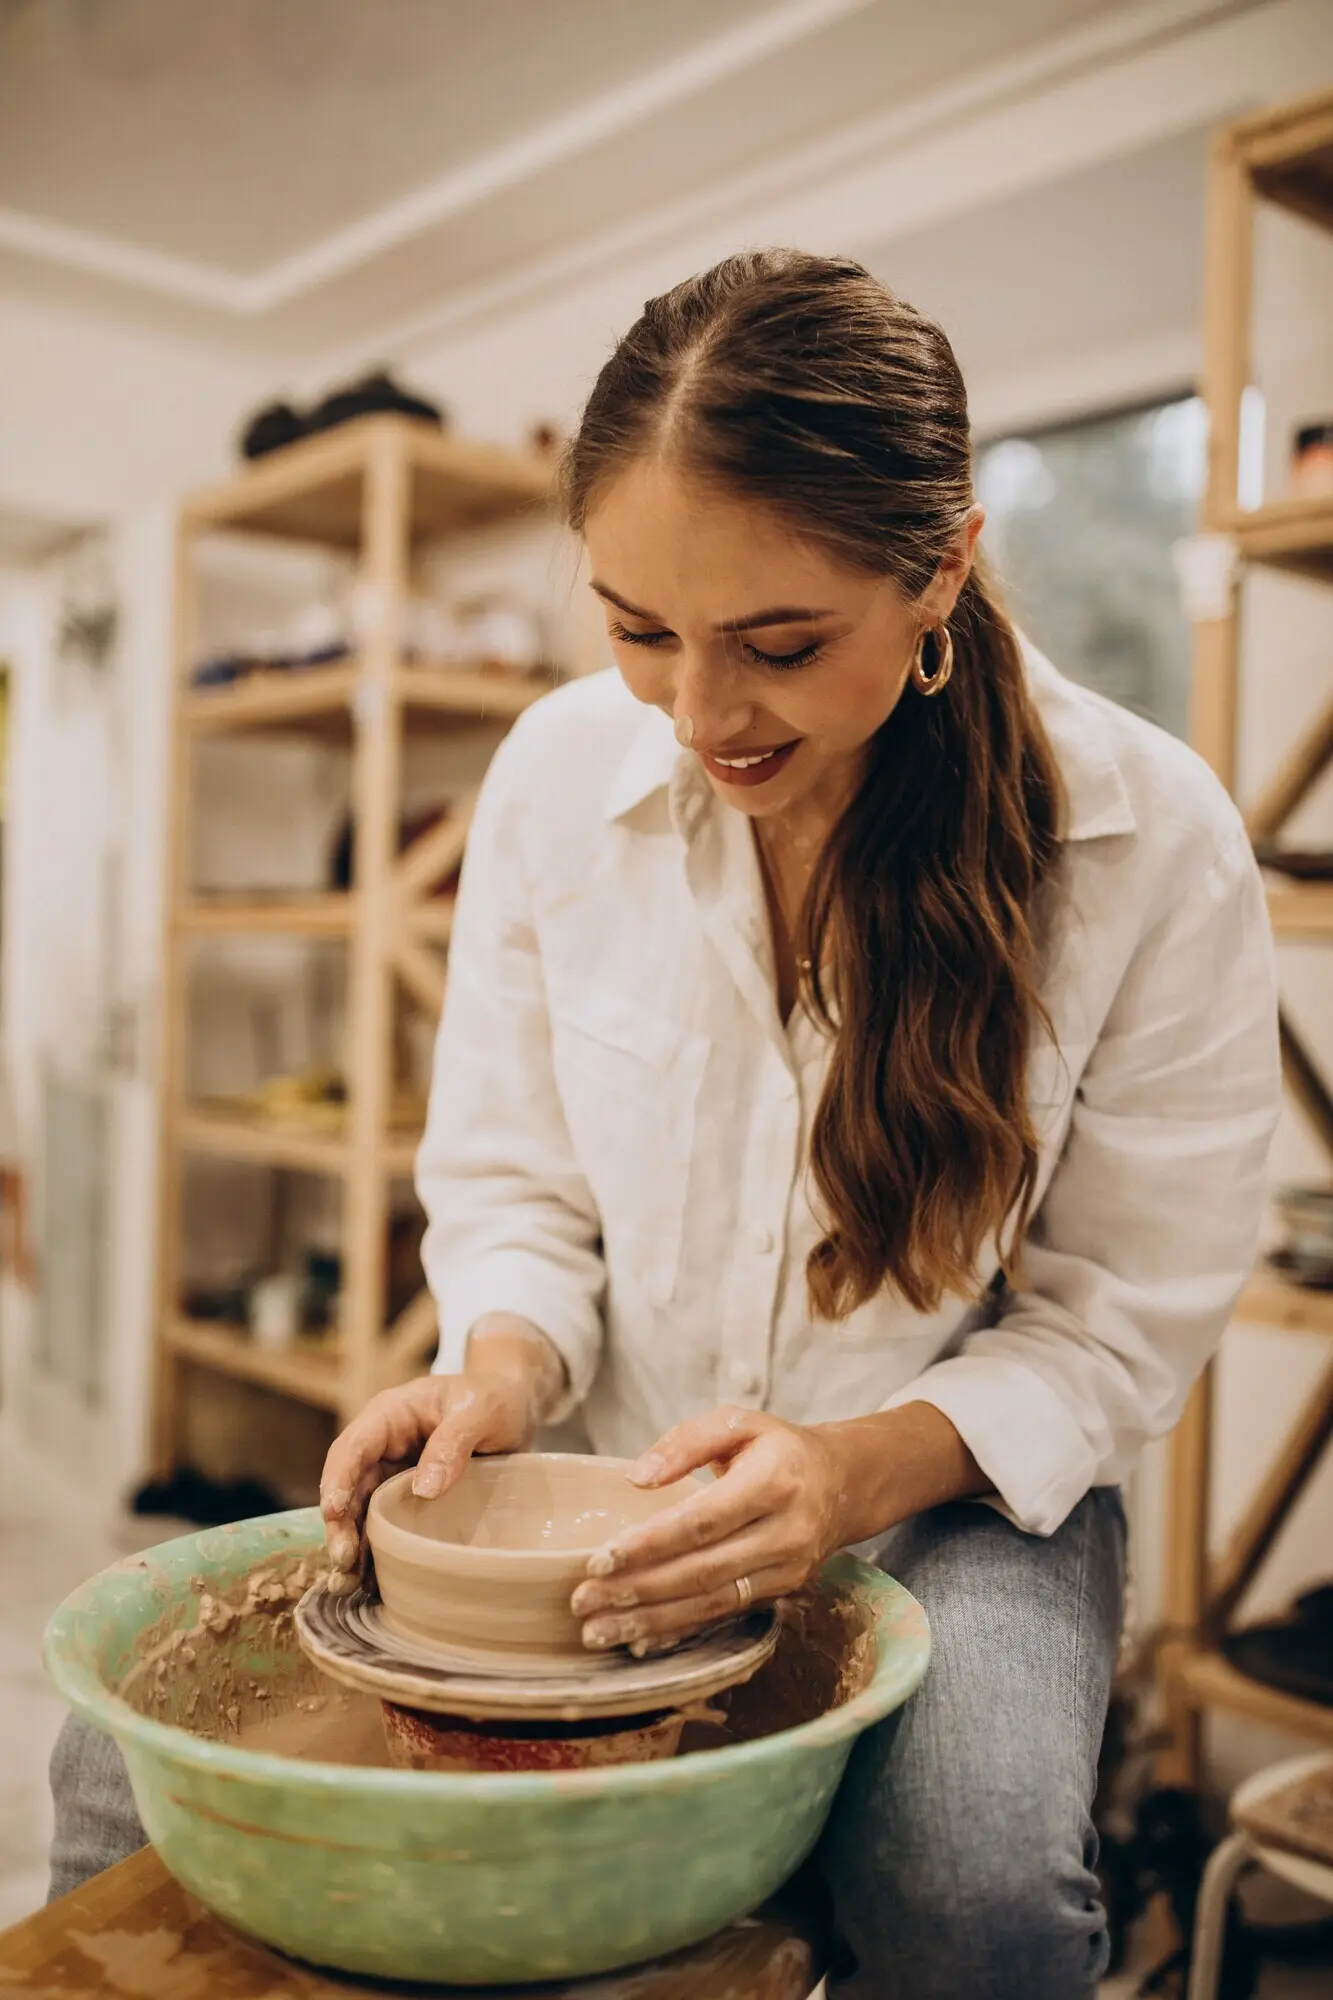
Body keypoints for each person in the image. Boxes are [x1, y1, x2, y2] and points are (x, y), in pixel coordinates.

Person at [49, 251, 1280, 1998]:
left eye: (780, 646)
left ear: (941, 568)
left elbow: (1117, 1326)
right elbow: (515, 1187)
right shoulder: (557, 780)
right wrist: (499, 1371)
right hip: (603, 1458)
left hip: (949, 1490)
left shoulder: (1150, 843)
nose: (702, 716)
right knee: (128, 1765)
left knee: (973, 1889)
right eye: (639, 631)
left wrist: (845, 1475)